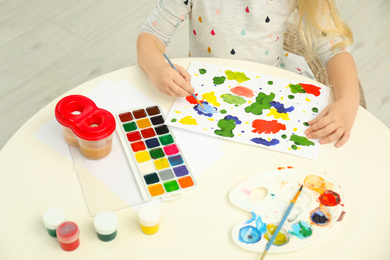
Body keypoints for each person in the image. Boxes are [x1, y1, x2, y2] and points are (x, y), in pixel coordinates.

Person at [136, 0, 360, 148]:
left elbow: (334, 47)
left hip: (271, 92)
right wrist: (158, 68)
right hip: (203, 94)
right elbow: (151, 34)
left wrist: (349, 101)